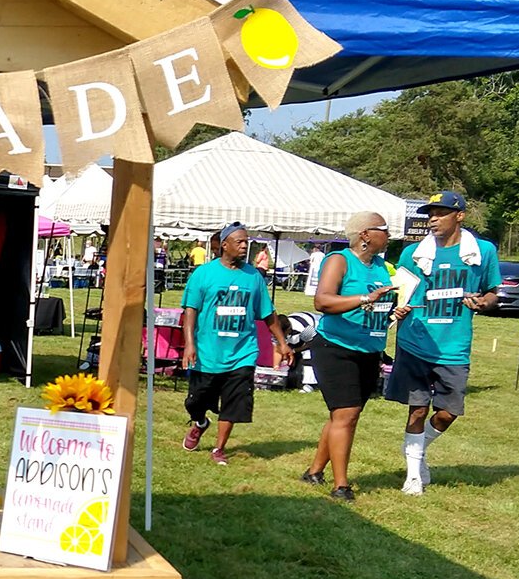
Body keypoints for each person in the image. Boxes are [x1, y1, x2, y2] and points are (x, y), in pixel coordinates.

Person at [386, 191, 500, 494]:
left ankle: (416, 447)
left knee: (449, 412)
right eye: (429, 214)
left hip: (454, 345)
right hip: (415, 340)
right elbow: (399, 292)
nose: (433, 219)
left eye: (440, 213)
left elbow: (492, 291)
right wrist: (397, 307)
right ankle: (413, 475)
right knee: (418, 409)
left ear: (459, 216)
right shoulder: (413, 253)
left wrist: (483, 303)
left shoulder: (483, 252)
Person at [180, 222, 292, 465]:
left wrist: (282, 343)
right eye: (240, 241)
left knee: (233, 403)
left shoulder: (254, 276)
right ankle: (200, 422)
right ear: (224, 245)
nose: (244, 245)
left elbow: (268, 314)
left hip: (243, 352)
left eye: (247, 241)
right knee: (195, 401)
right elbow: (190, 311)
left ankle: (219, 449)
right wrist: (190, 344)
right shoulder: (203, 274)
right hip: (208, 352)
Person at [302, 213, 396, 501]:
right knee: (347, 414)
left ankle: (314, 471)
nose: (389, 235)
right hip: (336, 348)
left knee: (342, 415)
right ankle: (340, 485)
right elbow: (323, 301)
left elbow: (381, 302)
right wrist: (366, 299)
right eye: (384, 230)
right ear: (365, 234)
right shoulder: (340, 260)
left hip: (369, 351)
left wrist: (394, 309)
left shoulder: (380, 265)